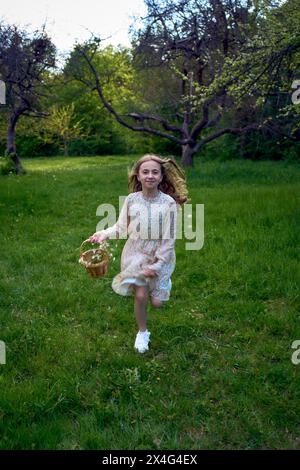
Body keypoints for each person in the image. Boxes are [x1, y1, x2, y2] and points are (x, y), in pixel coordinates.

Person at [89, 154, 189, 353]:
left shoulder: (168, 203)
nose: (150, 175)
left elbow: (169, 240)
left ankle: (163, 284)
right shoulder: (131, 200)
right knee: (141, 296)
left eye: (155, 172)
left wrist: (158, 264)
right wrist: (104, 234)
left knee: (158, 303)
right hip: (135, 254)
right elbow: (121, 227)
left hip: (160, 254)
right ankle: (142, 333)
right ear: (138, 175)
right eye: (145, 172)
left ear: (161, 177)